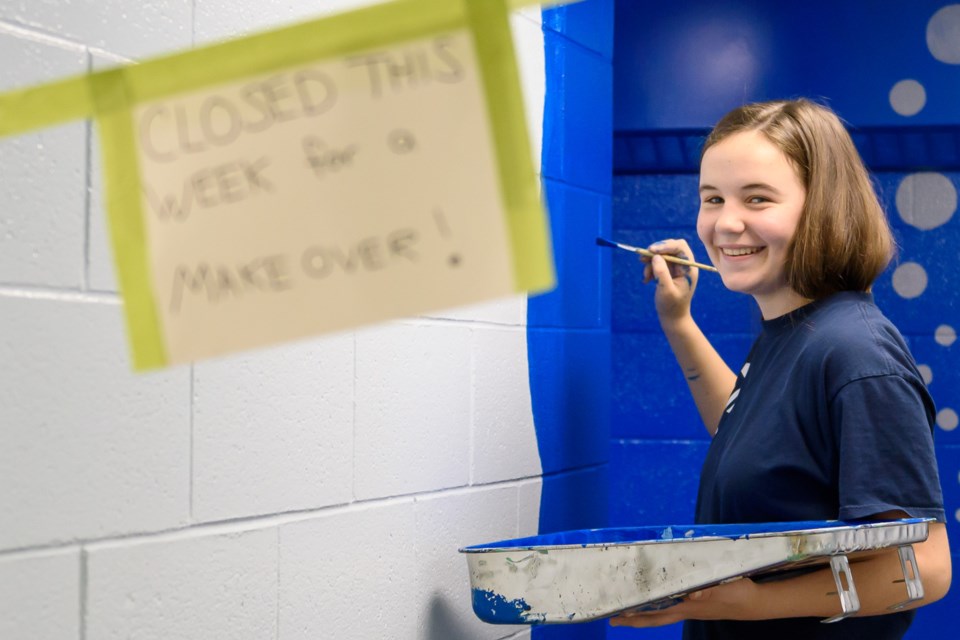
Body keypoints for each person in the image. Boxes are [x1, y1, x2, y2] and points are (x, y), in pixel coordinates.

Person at [609, 99, 951, 639]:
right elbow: (751, 436)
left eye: (757, 199)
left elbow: (924, 571)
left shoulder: (855, 354)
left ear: (823, 207)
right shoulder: (792, 331)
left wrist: (742, 603)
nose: (726, 223)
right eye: (712, 198)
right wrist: (680, 323)